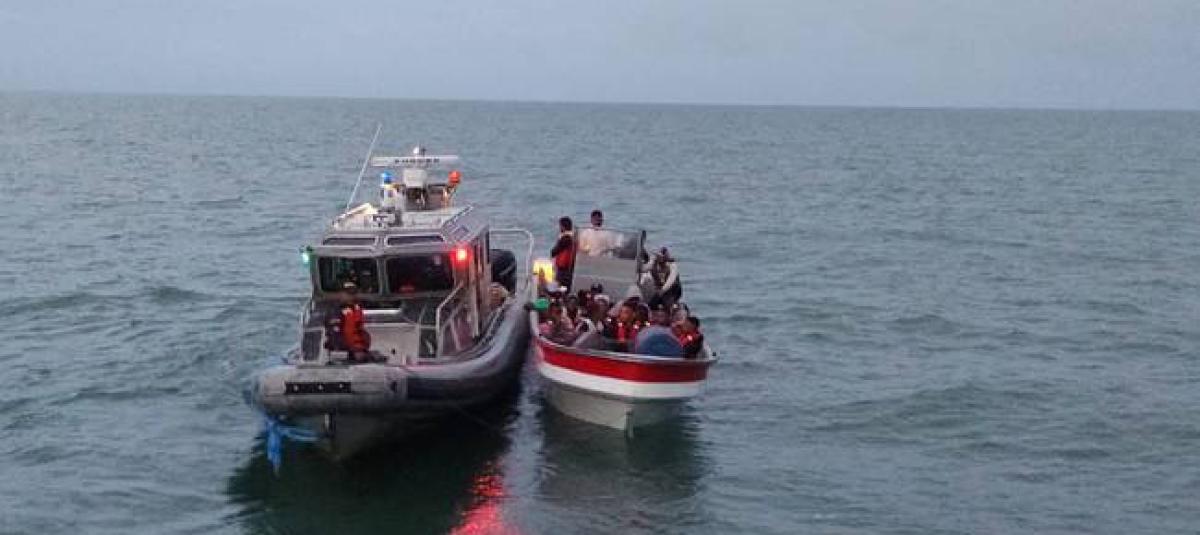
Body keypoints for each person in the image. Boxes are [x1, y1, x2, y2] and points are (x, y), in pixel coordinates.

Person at [324, 281, 373, 363]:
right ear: (340, 294)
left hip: (358, 349)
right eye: (348, 293)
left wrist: (363, 347)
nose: (351, 296)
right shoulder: (336, 311)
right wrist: (355, 350)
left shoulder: (356, 308)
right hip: (343, 352)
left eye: (353, 293)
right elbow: (337, 334)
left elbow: (359, 330)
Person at [550, 216, 575, 289]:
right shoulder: (573, 236)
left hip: (563, 267)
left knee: (560, 286)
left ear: (563, 227)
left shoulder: (566, 238)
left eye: (560, 226)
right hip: (569, 266)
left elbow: (554, 251)